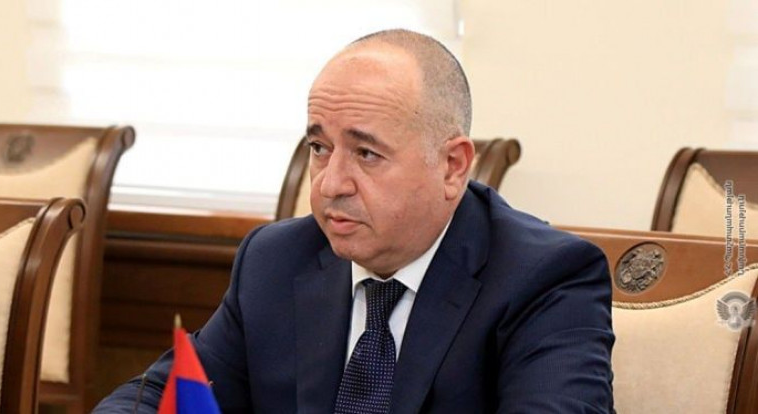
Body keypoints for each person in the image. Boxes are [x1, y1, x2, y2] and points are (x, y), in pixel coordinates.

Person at [94, 29, 614, 413]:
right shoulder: (275, 260)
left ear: (452, 166)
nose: (329, 184)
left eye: (366, 154)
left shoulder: (543, 278)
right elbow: (163, 395)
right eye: (320, 148)